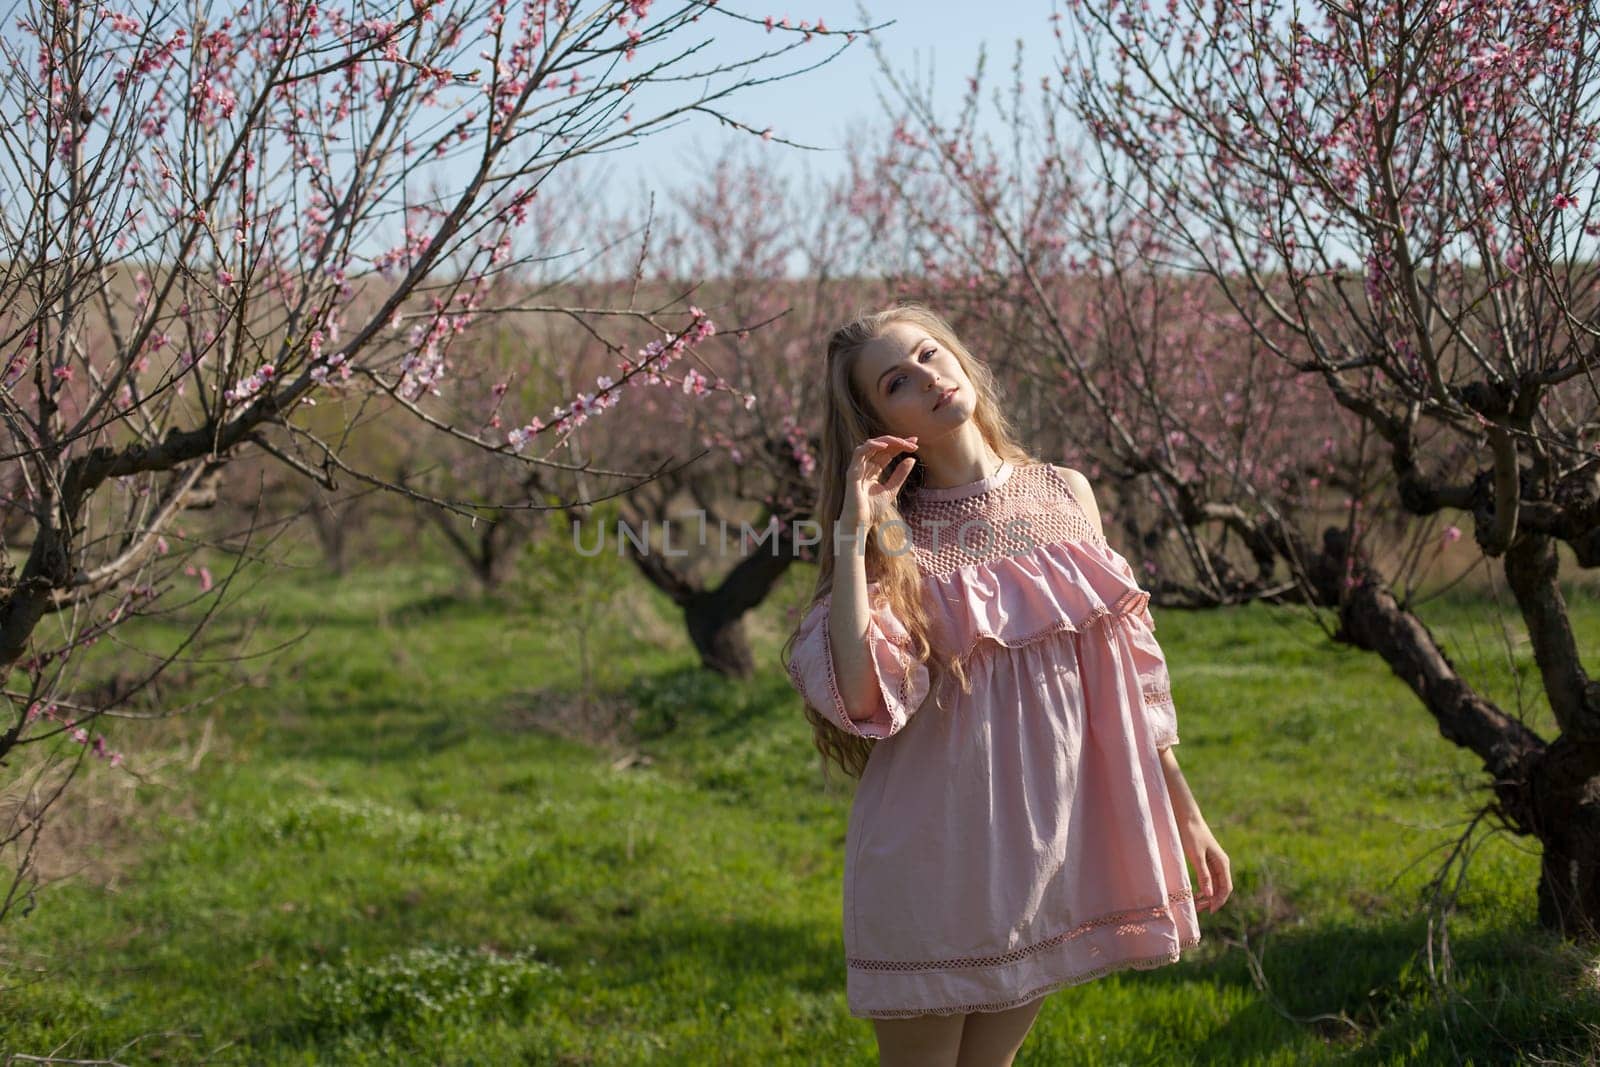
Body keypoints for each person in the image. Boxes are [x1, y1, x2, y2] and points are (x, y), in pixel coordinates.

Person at [781, 301, 1233, 1066]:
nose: (926, 377)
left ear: (958, 357)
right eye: (897, 380)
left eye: (929, 354)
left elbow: (1130, 675)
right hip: (934, 857)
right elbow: (861, 696)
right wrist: (856, 537)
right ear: (876, 421)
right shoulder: (896, 535)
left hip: (1039, 853)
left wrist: (1181, 809)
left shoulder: (1065, 494)